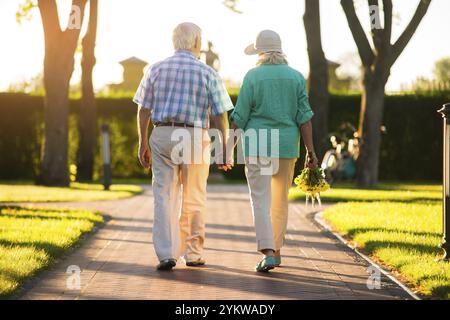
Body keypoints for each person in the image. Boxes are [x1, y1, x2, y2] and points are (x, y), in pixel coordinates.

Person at [134, 22, 234, 271]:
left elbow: (143, 109)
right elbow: (221, 115)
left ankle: (167, 254)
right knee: (195, 195)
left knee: (164, 195)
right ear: (197, 43)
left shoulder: (155, 68)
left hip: (163, 133)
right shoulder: (208, 72)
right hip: (194, 135)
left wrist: (142, 142)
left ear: (174, 42)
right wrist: (225, 147)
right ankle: (193, 253)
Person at [228, 30, 318, 272]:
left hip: (258, 144)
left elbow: (240, 116)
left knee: (260, 200)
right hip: (288, 146)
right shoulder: (297, 77)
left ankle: (268, 252)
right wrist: (311, 152)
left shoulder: (253, 76)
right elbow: (305, 118)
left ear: (260, 53)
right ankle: (276, 252)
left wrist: (228, 148)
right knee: (280, 202)